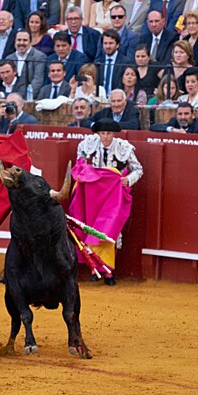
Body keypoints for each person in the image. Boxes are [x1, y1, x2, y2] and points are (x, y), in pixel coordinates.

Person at [73, 118, 143, 284]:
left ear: (114, 133)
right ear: (98, 133)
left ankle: (108, 272)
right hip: (92, 195)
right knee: (90, 229)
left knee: (111, 231)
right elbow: (79, 165)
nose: (105, 137)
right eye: (103, 133)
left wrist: (128, 179)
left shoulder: (123, 147)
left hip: (113, 196)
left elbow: (138, 169)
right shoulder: (87, 144)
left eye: (109, 133)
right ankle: (94, 268)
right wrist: (83, 174)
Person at [11, 29, 47, 96]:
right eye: (19, 40)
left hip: (30, 98)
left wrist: (22, 97)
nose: (21, 43)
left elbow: (37, 82)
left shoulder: (39, 57)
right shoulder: (9, 58)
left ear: (30, 42)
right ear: (15, 41)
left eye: (25, 40)